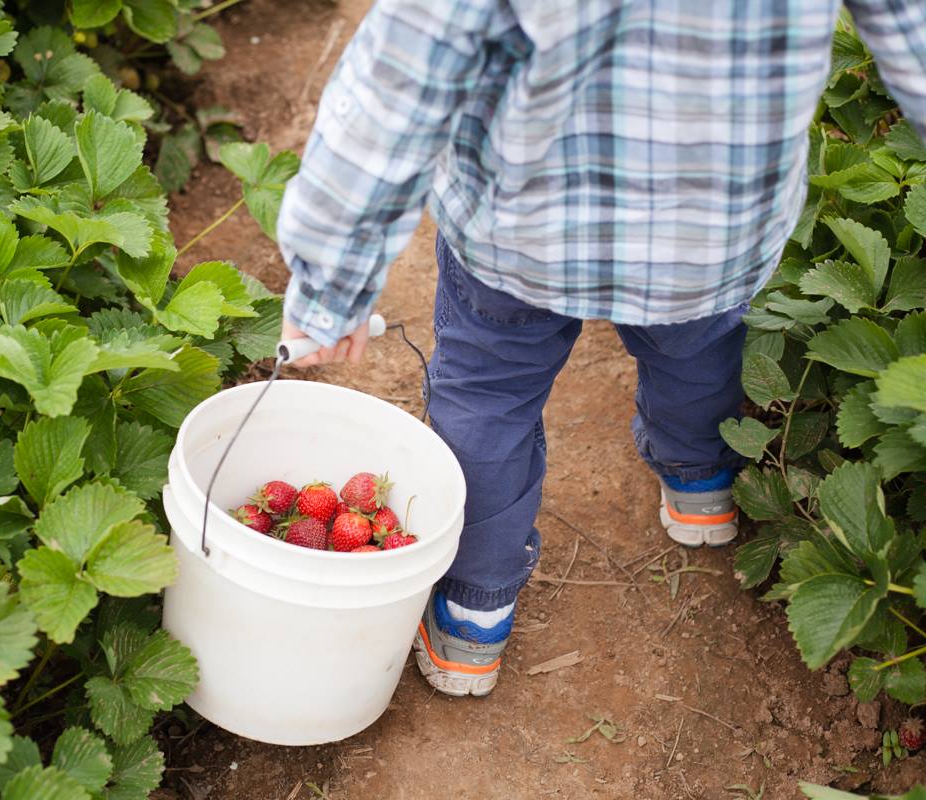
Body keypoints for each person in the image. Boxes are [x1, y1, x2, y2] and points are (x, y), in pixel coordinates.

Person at [274, 0, 926, 698]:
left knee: (488, 395)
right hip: (711, 233)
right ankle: (701, 485)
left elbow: (400, 82)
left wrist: (332, 288)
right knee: (698, 351)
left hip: (519, 231)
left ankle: (474, 611)